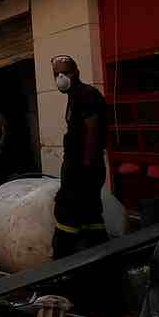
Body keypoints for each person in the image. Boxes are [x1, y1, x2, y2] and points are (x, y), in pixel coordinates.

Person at [51, 55, 109, 259]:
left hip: (82, 167)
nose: (61, 78)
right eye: (56, 74)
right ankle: (101, 255)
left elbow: (92, 130)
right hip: (86, 166)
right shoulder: (75, 95)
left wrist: (84, 166)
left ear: (76, 72)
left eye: (65, 72)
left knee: (66, 211)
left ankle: (61, 262)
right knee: (90, 213)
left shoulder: (86, 95)